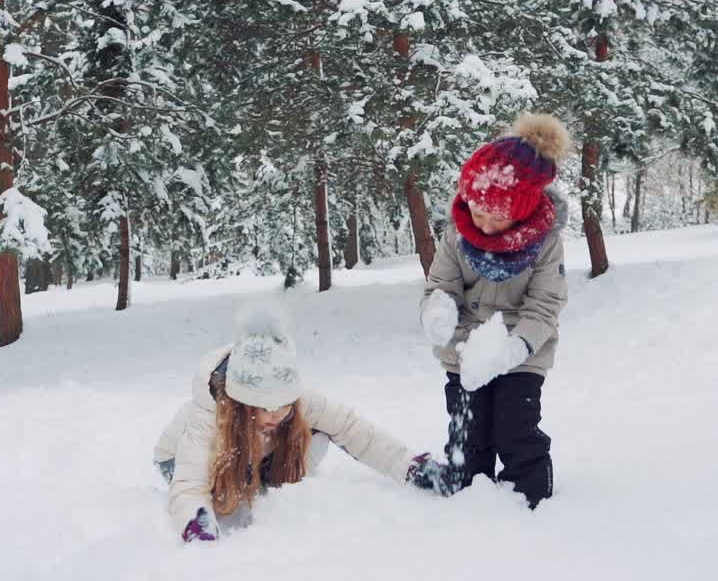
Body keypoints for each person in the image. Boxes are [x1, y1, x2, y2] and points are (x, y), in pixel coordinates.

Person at [154, 306, 450, 542]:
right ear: (243, 402)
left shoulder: (299, 403)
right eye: (263, 407)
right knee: (222, 488)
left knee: (316, 432)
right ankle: (243, 480)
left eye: (282, 404)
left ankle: (264, 483)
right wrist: (197, 525)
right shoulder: (209, 418)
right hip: (178, 460)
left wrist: (411, 466)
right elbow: (189, 485)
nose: (274, 415)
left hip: (254, 453)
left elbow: (354, 429)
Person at [419, 113, 570, 509]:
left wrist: (513, 349)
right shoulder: (457, 233)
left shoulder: (545, 243)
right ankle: (466, 483)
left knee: (513, 425)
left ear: (522, 210)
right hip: (464, 351)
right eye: (477, 210)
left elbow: (545, 305)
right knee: (467, 427)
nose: (482, 224)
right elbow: (441, 285)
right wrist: (439, 312)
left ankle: (529, 493)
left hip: (521, 352)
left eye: (496, 215)